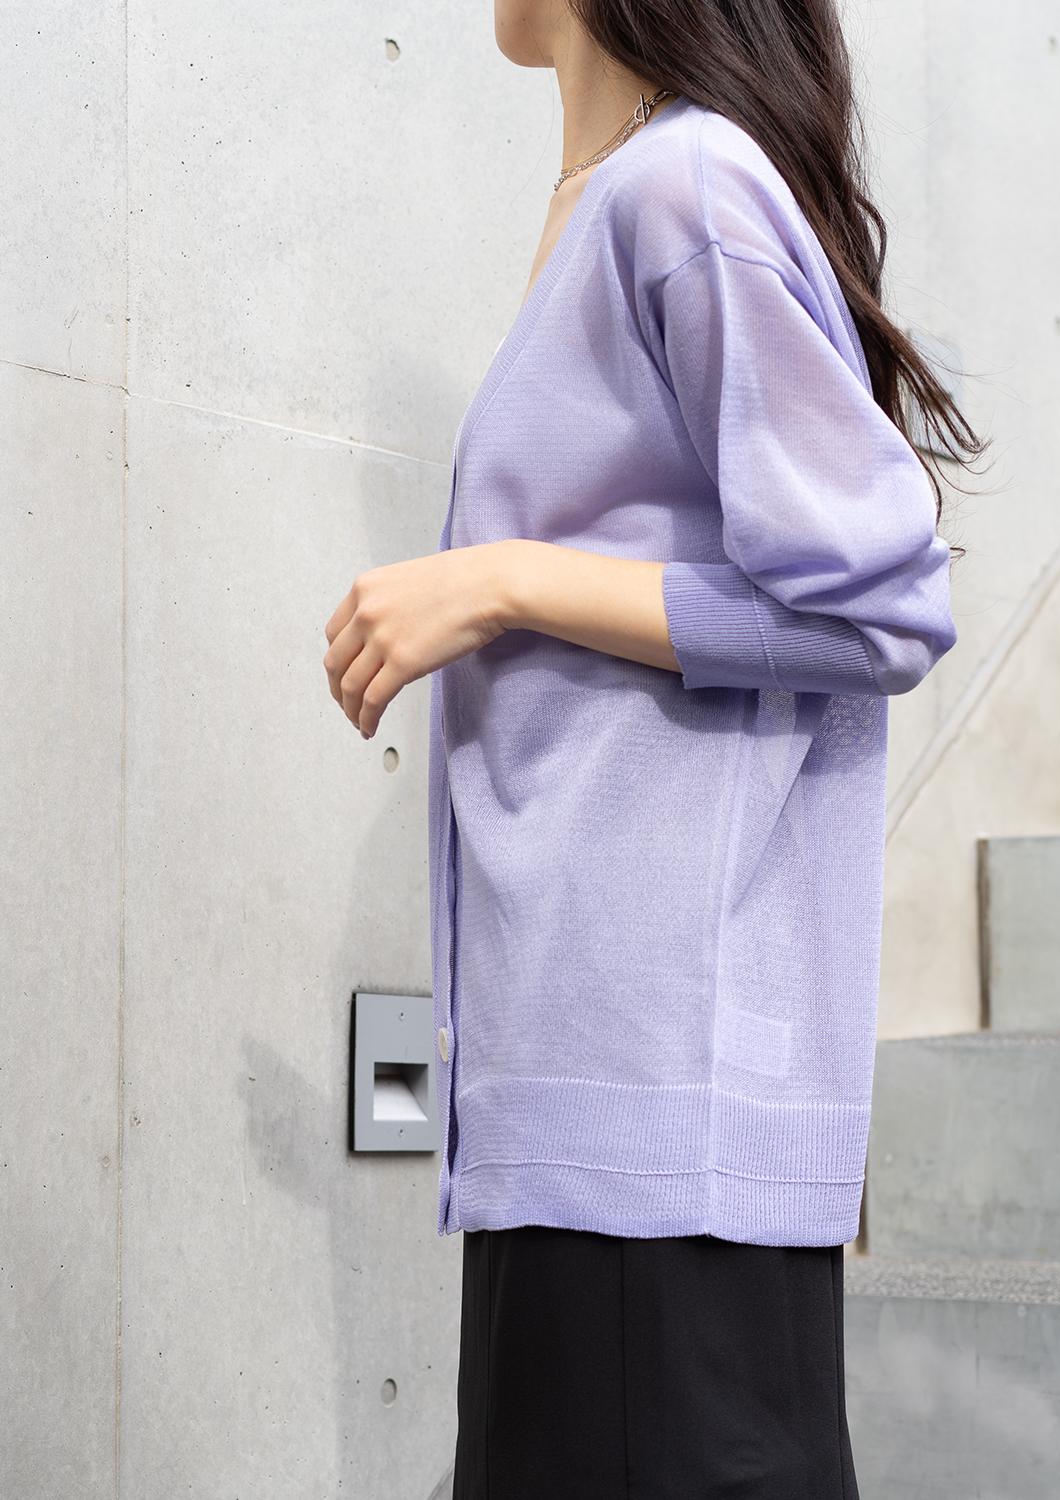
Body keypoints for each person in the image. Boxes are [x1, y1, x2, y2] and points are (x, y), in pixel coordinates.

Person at [324, 2, 985, 1494]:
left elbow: (882, 607)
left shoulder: (685, 188)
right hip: (579, 1092)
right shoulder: (620, 196)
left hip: (656, 1114)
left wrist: (505, 580)